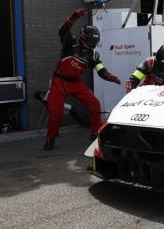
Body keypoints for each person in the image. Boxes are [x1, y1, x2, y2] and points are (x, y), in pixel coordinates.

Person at [44, 9, 121, 151]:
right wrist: (74, 16)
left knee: (95, 104)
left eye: (95, 42)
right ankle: (51, 138)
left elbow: (100, 69)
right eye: (92, 41)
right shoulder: (70, 42)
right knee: (55, 112)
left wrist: (110, 77)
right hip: (59, 81)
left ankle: (94, 132)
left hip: (75, 83)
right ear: (84, 37)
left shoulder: (92, 54)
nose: (93, 44)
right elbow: (63, 29)